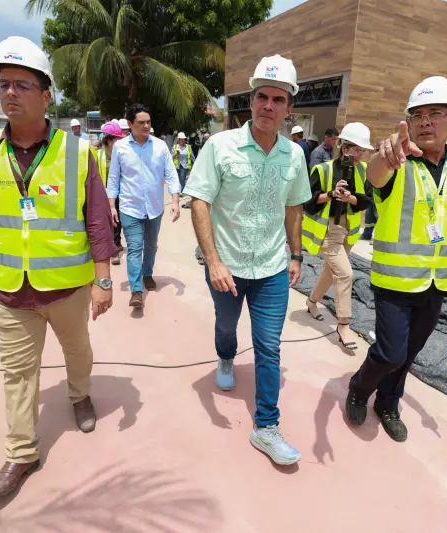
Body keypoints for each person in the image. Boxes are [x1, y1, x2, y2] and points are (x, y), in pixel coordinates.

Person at [0, 36, 116, 501]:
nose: (10, 93)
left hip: (67, 285)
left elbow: (97, 220)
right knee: (17, 372)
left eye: (21, 85)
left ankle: (80, 394)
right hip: (10, 288)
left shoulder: (77, 152)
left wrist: (104, 279)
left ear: (46, 95)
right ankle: (21, 453)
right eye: (4, 83)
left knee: (78, 352)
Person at [343, 76, 447, 443]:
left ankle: (388, 403)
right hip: (394, 283)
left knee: (408, 355)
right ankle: (358, 388)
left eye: (436, 113)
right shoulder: (398, 162)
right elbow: (376, 175)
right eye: (417, 115)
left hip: (436, 285)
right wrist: (385, 157)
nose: (425, 121)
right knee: (389, 352)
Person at [185, 54, 312, 466]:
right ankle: (224, 355)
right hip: (227, 266)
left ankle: (267, 427)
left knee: (269, 346)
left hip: (272, 267)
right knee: (226, 327)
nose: (268, 106)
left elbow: (295, 207)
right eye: (262, 97)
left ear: (289, 108)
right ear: (250, 100)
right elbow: (200, 201)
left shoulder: (294, 156)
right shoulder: (219, 146)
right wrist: (213, 259)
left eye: (278, 99)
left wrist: (295, 254)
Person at [302, 122, 375, 350]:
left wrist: (351, 198)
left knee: (330, 272)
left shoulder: (363, 170)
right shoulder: (323, 169)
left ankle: (312, 301)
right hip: (328, 230)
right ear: (345, 148)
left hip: (349, 230)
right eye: (358, 150)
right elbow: (308, 202)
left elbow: (367, 200)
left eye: (363, 151)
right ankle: (343, 324)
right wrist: (331, 194)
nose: (360, 155)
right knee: (345, 274)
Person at [107, 103, 180, 309]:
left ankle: (147, 273)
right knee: (135, 248)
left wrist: (175, 200)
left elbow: (171, 174)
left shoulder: (159, 146)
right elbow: (113, 179)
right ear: (130, 124)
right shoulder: (120, 148)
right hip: (130, 208)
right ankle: (136, 290)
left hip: (155, 207)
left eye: (148, 122)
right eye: (141, 123)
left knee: (151, 245)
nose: (146, 126)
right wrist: (112, 206)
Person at [95, 120, 126, 266]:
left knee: (116, 222)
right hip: (101, 195)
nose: (119, 142)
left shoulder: (121, 155)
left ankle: (115, 249)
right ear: (108, 140)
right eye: (117, 140)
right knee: (102, 223)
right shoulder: (97, 155)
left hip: (118, 195)